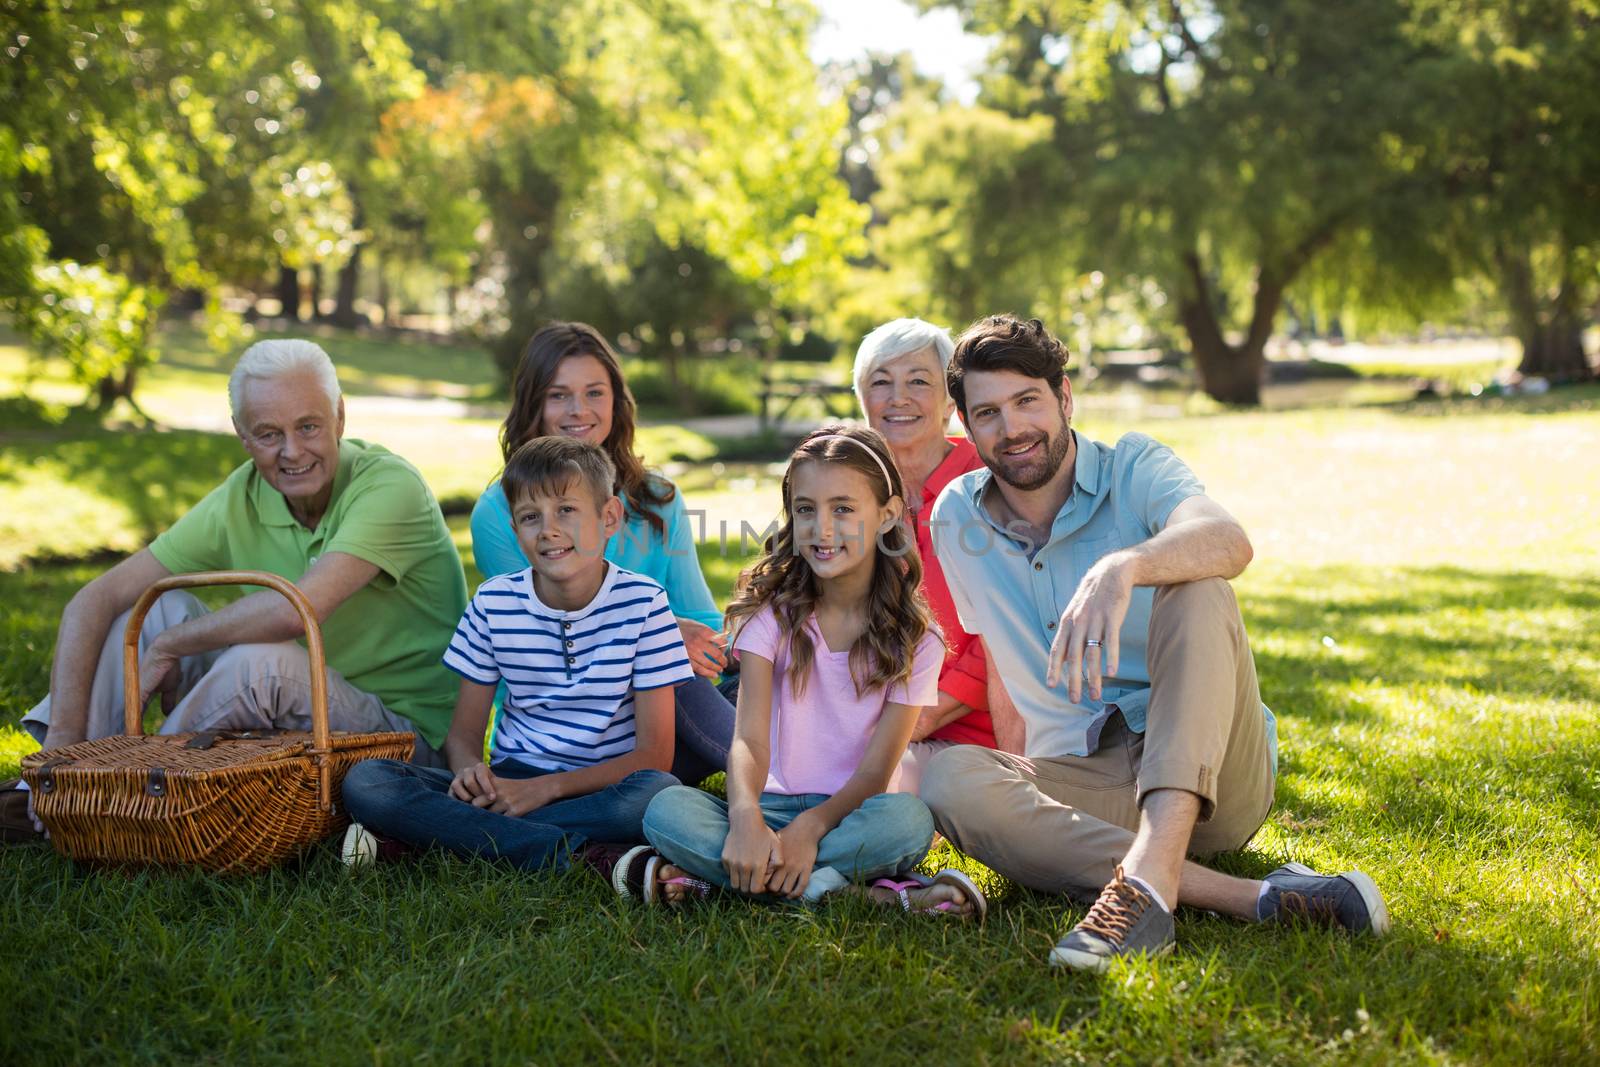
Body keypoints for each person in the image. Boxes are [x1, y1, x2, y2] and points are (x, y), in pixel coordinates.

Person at [920, 314, 1388, 972]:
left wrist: (1126, 566)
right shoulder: (956, 516)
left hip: (1215, 775)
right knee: (945, 775)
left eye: (1027, 399)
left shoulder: (1134, 466)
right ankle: (1244, 895)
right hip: (1090, 775)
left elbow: (1229, 540)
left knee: (1199, 586)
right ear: (967, 427)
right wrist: (1007, 796)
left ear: (1065, 396)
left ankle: (1144, 886)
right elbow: (999, 660)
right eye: (988, 412)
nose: (1012, 428)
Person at [3, 339, 467, 841]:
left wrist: (174, 644)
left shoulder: (389, 485)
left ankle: (138, 792)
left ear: (339, 416)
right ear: (242, 436)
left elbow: (299, 611)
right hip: (306, 710)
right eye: (269, 433)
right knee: (160, 608)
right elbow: (93, 599)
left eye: (308, 426)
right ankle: (56, 786)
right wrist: (62, 749)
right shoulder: (241, 497)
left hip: (407, 741)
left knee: (257, 660)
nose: (292, 452)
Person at [623, 426, 986, 917]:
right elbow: (748, 740)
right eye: (806, 510)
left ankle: (735, 879)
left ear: (888, 516)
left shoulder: (917, 640)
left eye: (843, 509)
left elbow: (878, 772)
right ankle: (845, 890)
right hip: (764, 803)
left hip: (849, 814)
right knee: (666, 808)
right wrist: (747, 816)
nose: (823, 528)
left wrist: (811, 829)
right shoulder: (770, 616)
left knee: (908, 821)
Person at [341, 437, 691, 871]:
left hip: (604, 786)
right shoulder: (493, 604)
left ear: (609, 517)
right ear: (515, 532)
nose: (548, 529)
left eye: (566, 510)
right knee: (368, 781)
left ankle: (441, 838)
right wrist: (471, 771)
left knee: (655, 794)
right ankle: (585, 857)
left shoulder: (645, 603)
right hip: (509, 778)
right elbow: (464, 737)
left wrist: (545, 790)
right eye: (530, 517)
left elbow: (653, 756)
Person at [470, 322, 734, 787]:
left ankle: (805, 775)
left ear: (616, 401)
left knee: (765, 668)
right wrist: (663, 634)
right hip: (569, 731)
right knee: (667, 666)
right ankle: (785, 790)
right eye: (558, 396)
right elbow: (549, 641)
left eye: (595, 392)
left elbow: (705, 626)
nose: (580, 411)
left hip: (664, 723)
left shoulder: (658, 500)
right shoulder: (502, 514)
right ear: (533, 405)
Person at [852, 317, 1021, 794]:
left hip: (982, 730)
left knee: (867, 790)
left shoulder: (994, 483)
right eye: (880, 382)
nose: (897, 398)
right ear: (862, 400)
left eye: (918, 381)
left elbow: (1014, 627)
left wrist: (928, 713)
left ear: (952, 401)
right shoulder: (849, 487)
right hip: (882, 722)